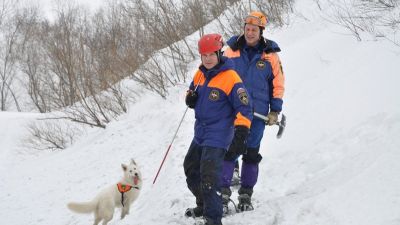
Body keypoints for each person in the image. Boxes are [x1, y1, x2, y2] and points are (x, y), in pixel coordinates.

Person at [183, 33, 253, 225]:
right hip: (201, 132)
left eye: (211, 54)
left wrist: (241, 131)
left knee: (209, 177)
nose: (207, 59)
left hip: (219, 134)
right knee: (190, 169)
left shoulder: (230, 77)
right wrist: (190, 97)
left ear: (219, 52)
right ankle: (204, 204)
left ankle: (213, 219)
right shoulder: (200, 73)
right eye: (204, 55)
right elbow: (192, 90)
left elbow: (245, 107)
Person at [220, 11, 285, 213]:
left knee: (251, 152)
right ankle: (222, 194)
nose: (249, 33)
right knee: (229, 151)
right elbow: (217, 76)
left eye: (254, 30)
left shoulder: (270, 56)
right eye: (247, 29)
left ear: (261, 31)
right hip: (234, 112)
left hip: (258, 113)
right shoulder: (230, 51)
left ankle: (246, 193)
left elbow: (278, 84)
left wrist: (275, 110)